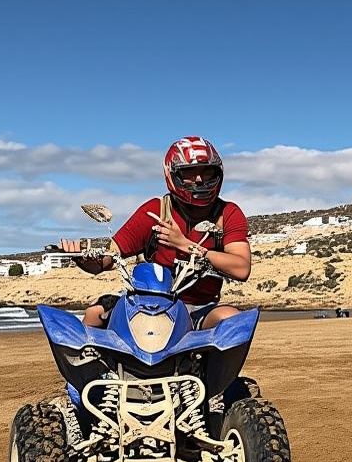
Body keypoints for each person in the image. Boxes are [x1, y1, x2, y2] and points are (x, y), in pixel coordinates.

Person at [61, 136, 251, 329]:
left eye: (207, 171)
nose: (199, 179)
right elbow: (106, 261)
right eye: (189, 172)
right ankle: (91, 358)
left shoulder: (228, 214)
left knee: (231, 320)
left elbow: (241, 268)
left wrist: (184, 244)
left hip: (200, 309)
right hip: (146, 305)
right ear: (172, 174)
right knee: (94, 313)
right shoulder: (154, 211)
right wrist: (83, 259)